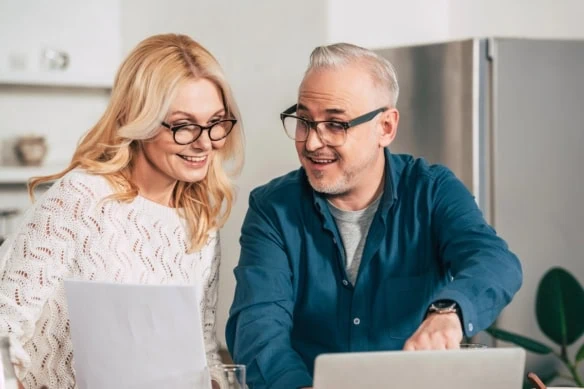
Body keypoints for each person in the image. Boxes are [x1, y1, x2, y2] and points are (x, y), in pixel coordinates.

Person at [226, 42, 522, 389]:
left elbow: (495, 262)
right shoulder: (272, 208)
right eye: (304, 120)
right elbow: (259, 330)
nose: (310, 143)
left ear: (385, 127)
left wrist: (449, 313)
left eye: (335, 124)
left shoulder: (432, 191)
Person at [0, 33, 244, 389]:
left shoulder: (199, 219)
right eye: (183, 125)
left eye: (216, 122)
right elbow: (3, 332)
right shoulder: (82, 197)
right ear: (138, 120)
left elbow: (202, 352)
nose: (205, 142)